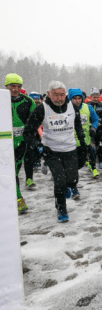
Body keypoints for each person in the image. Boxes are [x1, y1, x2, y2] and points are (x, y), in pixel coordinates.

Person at [24, 81, 86, 222]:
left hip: (70, 149)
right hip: (51, 151)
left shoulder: (72, 107)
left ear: (66, 95)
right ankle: (61, 209)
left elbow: (78, 126)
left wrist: (83, 144)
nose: (59, 98)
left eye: (62, 95)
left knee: (72, 180)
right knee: (60, 182)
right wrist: (38, 145)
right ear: (49, 94)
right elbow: (28, 132)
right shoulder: (42, 109)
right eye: (56, 95)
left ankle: (66, 186)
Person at [5, 73, 36, 212]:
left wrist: (32, 137)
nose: (15, 89)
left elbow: (34, 121)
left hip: (21, 142)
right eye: (12, 86)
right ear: (6, 86)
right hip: (4, 143)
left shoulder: (28, 101)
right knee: (8, 171)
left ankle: (14, 197)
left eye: (18, 86)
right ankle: (18, 199)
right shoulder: (1, 99)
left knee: (14, 171)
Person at [68, 88, 99, 181]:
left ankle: (93, 168)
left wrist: (93, 128)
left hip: (85, 138)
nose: (77, 101)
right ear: (70, 99)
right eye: (74, 98)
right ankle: (66, 173)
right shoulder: (66, 109)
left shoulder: (88, 107)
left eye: (79, 98)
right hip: (70, 140)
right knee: (70, 160)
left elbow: (95, 119)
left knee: (91, 153)